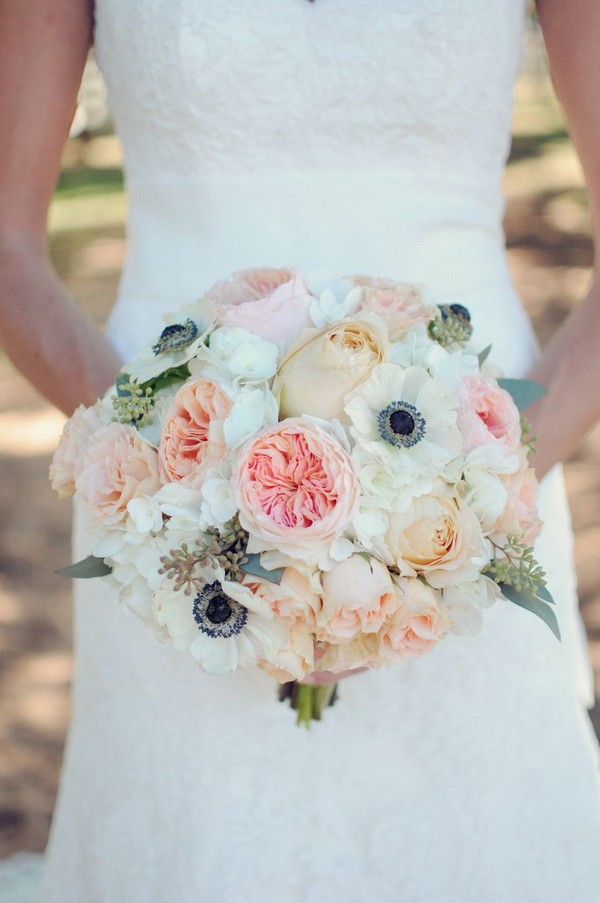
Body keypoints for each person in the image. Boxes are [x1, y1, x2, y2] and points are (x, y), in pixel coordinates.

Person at [1, 1, 600, 900]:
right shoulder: (167, 487)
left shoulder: (476, 497)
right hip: (167, 495)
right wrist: (166, 475)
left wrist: (467, 503)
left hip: (486, 476)